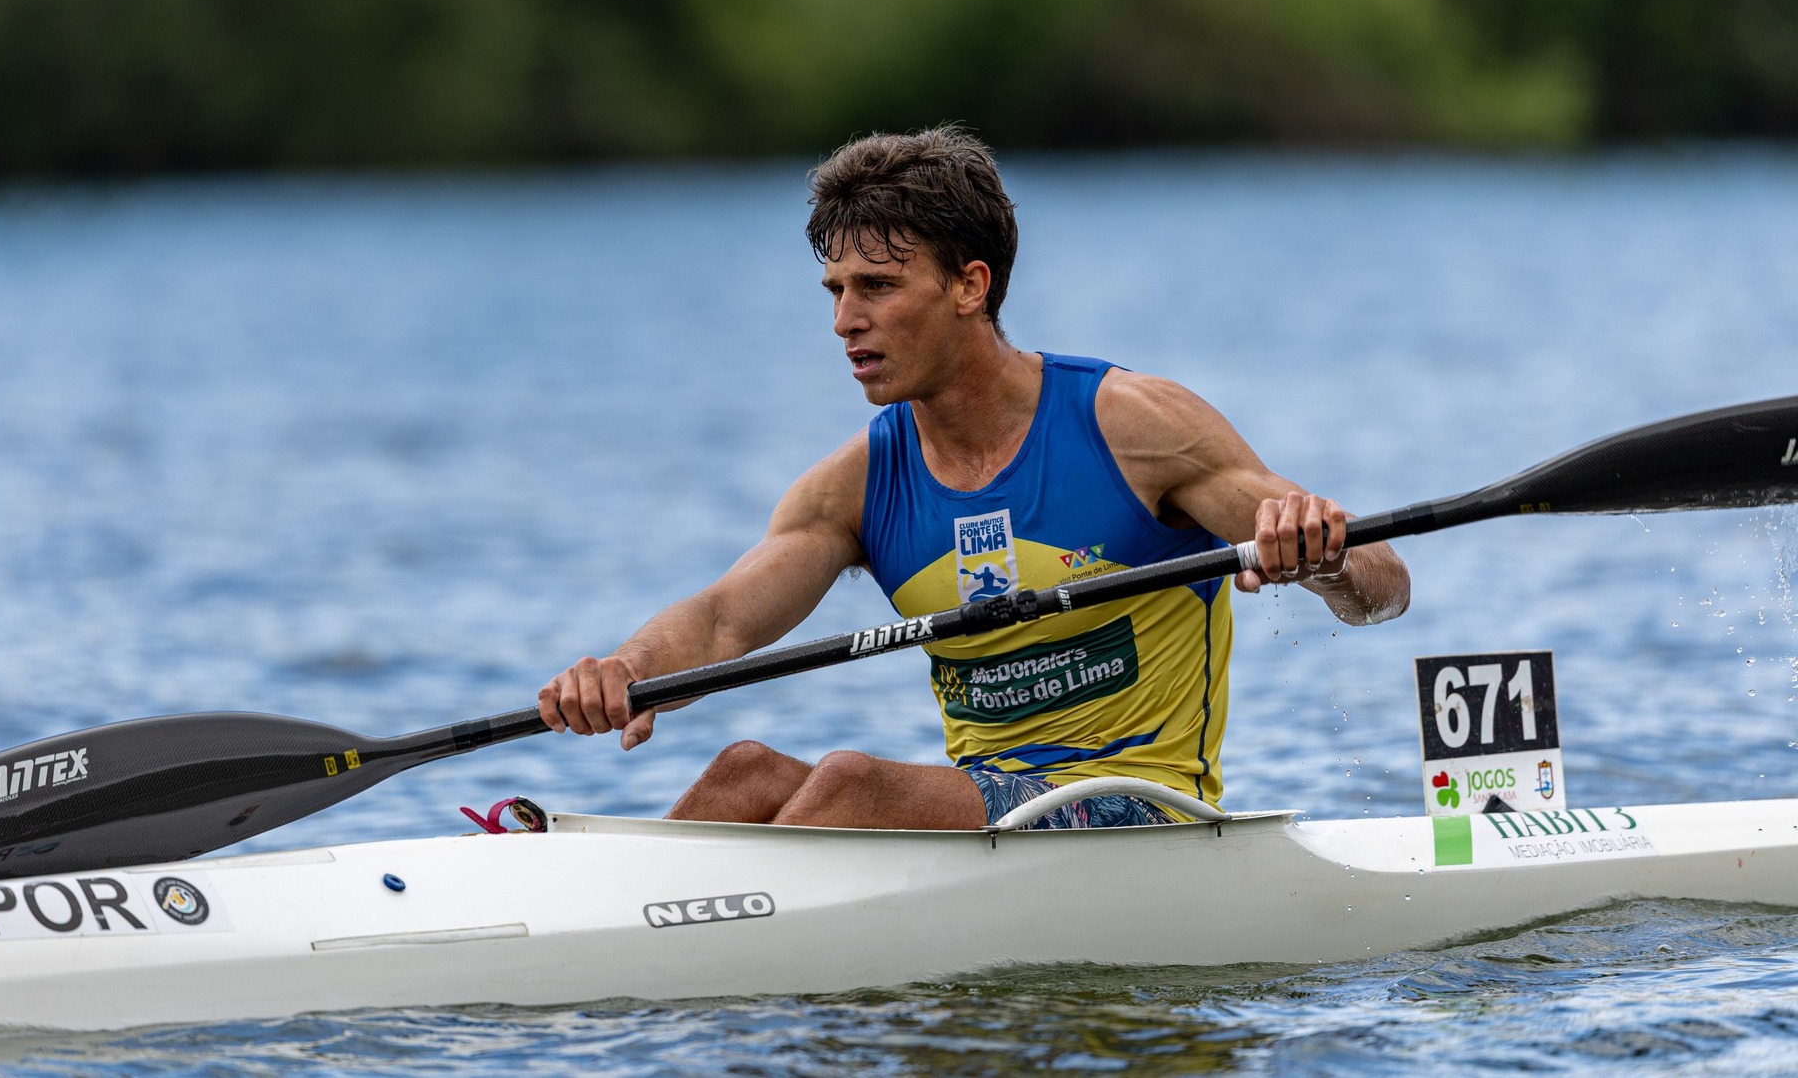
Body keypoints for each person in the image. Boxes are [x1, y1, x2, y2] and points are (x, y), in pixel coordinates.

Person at [537, 127, 1410, 831]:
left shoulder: (1137, 429)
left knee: (849, 784)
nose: (845, 320)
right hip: (989, 808)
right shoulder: (855, 485)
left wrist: (1322, 555)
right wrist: (629, 666)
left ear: (969, 285)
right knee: (743, 772)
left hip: (1145, 816)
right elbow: (724, 618)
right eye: (835, 289)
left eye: (876, 285)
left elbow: (1384, 586)